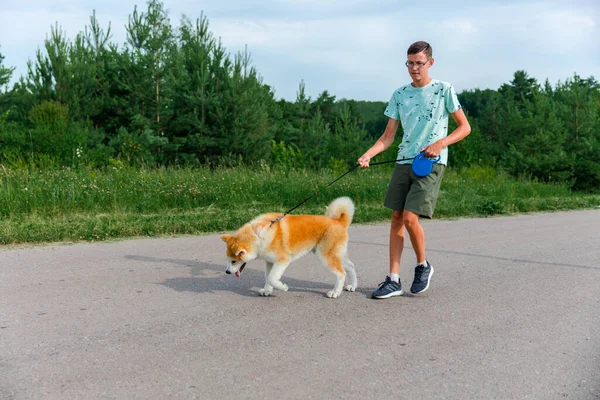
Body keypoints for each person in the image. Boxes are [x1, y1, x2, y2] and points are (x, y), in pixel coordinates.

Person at [357, 41, 471, 299]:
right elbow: (387, 138)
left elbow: (465, 128)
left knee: (410, 218)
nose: (414, 68)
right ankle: (393, 279)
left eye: (419, 63)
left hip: (430, 163)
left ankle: (422, 265)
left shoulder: (444, 90)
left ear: (430, 62)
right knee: (396, 219)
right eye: (410, 63)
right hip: (402, 161)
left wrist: (440, 143)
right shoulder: (399, 95)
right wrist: (368, 154)